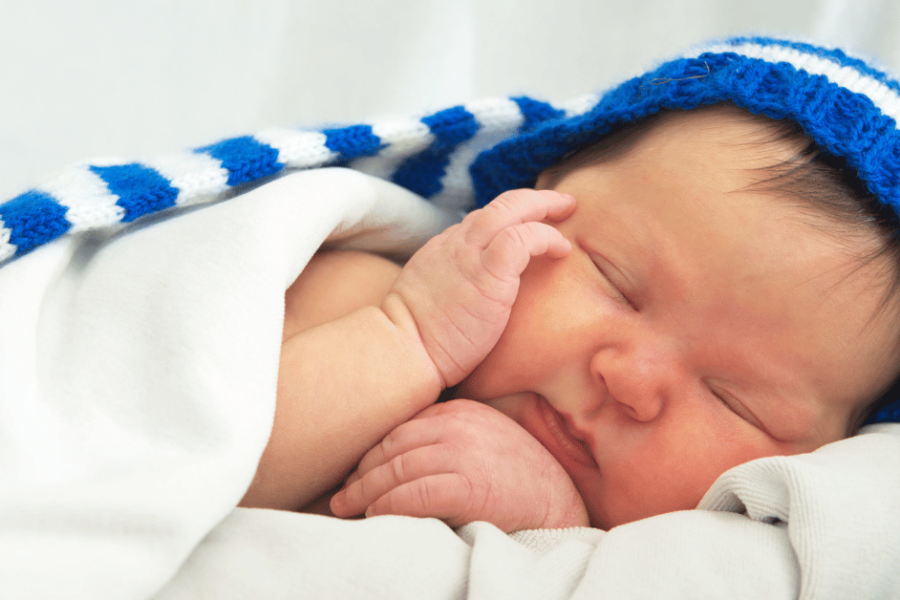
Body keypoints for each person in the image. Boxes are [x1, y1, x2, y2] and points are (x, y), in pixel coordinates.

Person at [239, 37, 900, 533]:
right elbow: (183, 459)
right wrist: (406, 335)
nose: (630, 380)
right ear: (528, 200)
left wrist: (556, 532)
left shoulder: (693, 555)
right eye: (615, 281)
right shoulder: (357, 298)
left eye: (738, 401)